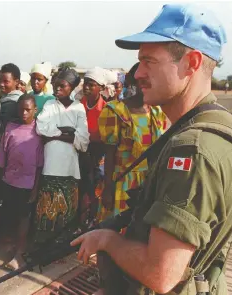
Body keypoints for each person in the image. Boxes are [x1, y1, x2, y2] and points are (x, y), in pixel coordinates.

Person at [71, 4, 231, 295]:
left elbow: (162, 274)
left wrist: (107, 240)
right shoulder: (215, 124)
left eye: (149, 61)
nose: (138, 74)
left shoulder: (192, 150)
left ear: (191, 62)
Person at [96, 62, 167, 223]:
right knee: (117, 231)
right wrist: (108, 188)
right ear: (134, 82)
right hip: (122, 182)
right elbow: (109, 153)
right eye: (143, 81)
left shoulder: (157, 112)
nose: (148, 85)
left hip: (148, 183)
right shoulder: (116, 110)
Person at [35, 67, 89, 243]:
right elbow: (41, 128)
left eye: (62, 86)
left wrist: (56, 134)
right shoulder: (50, 105)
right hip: (50, 165)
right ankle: (45, 246)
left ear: (72, 87)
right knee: (46, 209)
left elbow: (83, 141)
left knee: (66, 210)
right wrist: (68, 134)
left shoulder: (79, 108)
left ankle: (61, 247)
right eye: (56, 85)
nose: (57, 89)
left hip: (70, 168)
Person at [0, 94, 43, 269]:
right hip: (10, 179)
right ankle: (11, 245)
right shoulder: (11, 127)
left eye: (28, 110)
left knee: (24, 217)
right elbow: (2, 153)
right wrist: (1, 178)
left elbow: (39, 164)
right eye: (21, 109)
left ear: (35, 110)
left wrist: (36, 187)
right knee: (10, 214)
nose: (24, 113)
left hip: (28, 182)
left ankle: (20, 253)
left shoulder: (38, 130)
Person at [79, 67, 107, 224]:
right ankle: (81, 222)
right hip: (80, 153)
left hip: (98, 155)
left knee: (95, 190)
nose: (86, 88)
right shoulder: (78, 105)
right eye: (85, 84)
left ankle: (93, 222)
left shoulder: (107, 108)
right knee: (81, 189)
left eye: (91, 84)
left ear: (101, 88)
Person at [0, 63, 23, 135]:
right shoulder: (4, 97)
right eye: (0, 80)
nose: (1, 84)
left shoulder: (15, 102)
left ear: (16, 82)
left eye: (6, 81)